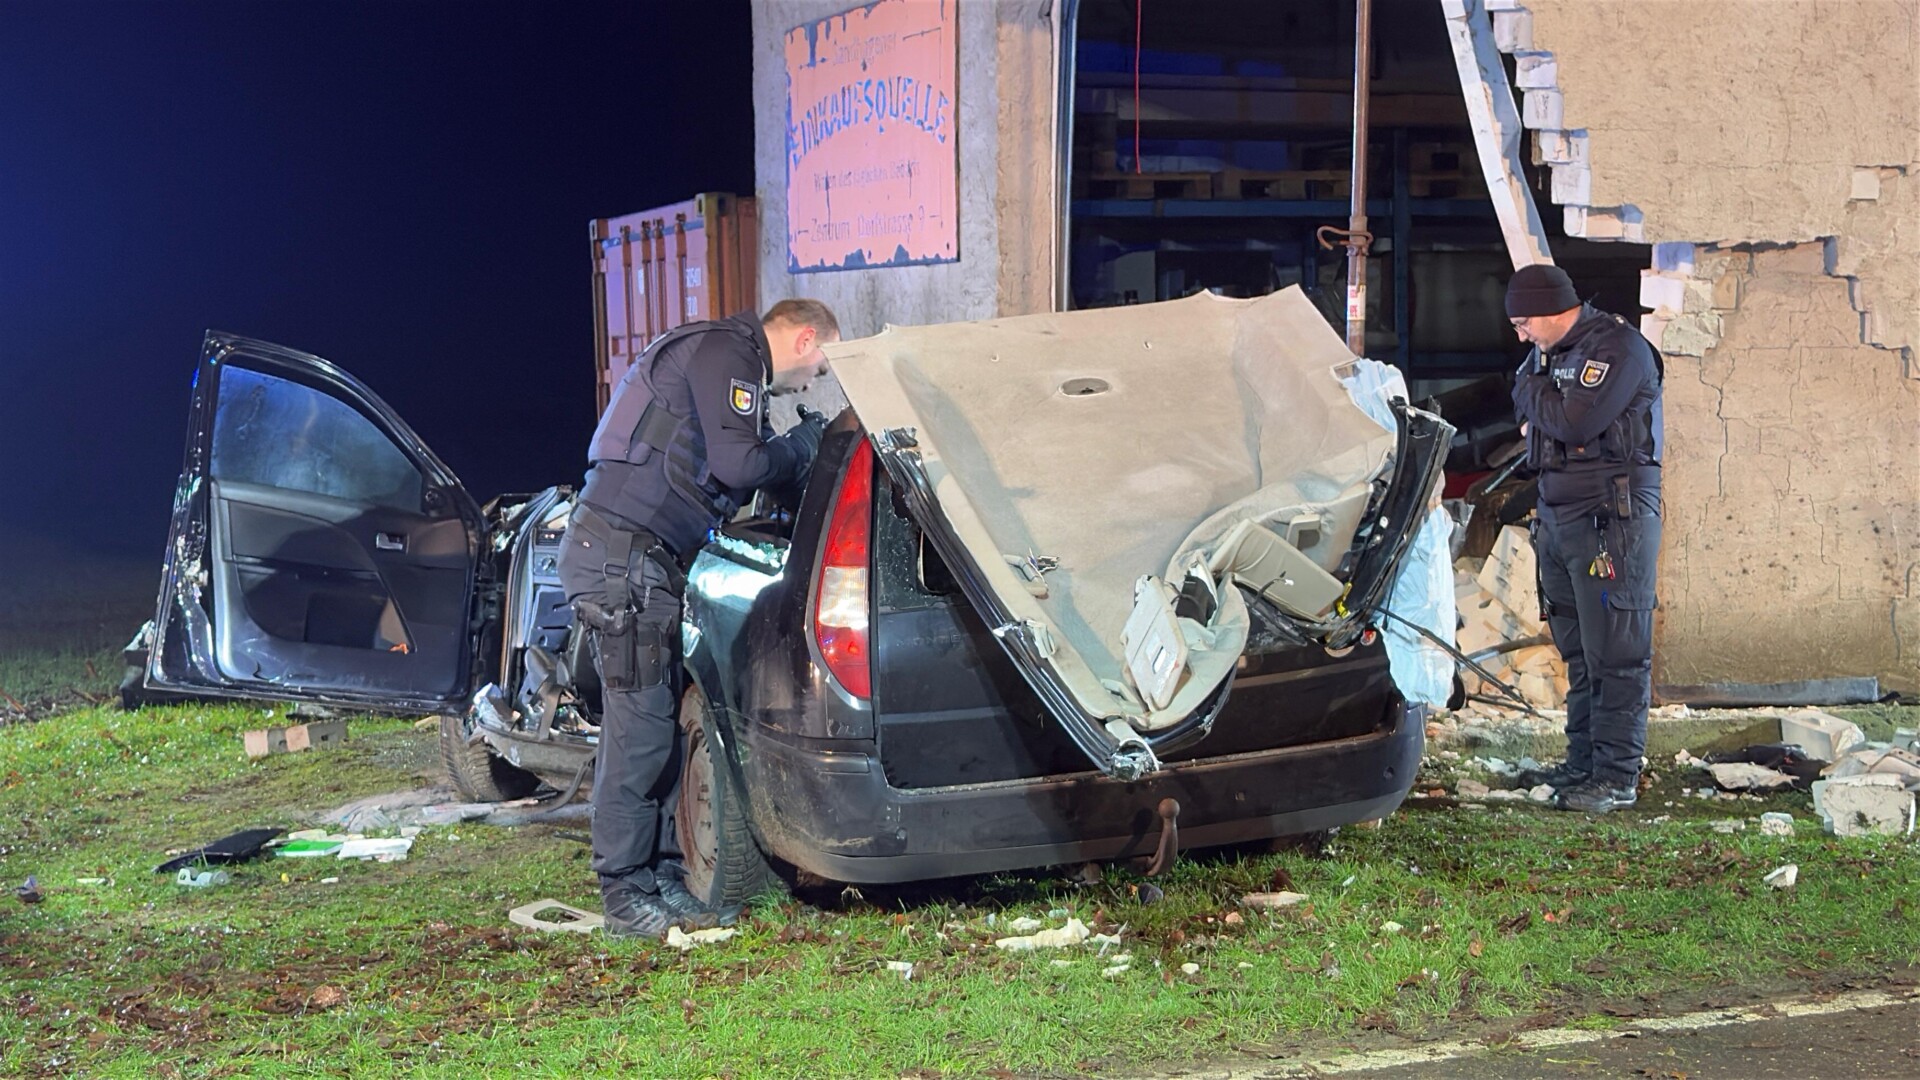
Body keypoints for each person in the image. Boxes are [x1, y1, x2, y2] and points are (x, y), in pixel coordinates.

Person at [558, 299, 839, 937]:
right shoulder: (729, 352)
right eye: (820, 366)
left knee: (655, 726)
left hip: (635, 559)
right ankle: (624, 892)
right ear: (804, 339)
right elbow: (739, 465)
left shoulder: (725, 357)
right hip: (621, 560)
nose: (811, 382)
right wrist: (801, 446)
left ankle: (658, 878)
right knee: (638, 732)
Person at [1506, 264, 1663, 814]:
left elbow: (1574, 423)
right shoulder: (1550, 354)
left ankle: (1616, 776)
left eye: (1524, 324)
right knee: (1579, 652)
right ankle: (1583, 764)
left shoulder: (1618, 348)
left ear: (1551, 310)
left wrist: (1536, 398)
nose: (1521, 337)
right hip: (1560, 516)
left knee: (1616, 653)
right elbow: (1534, 409)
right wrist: (1540, 404)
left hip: (1610, 520)